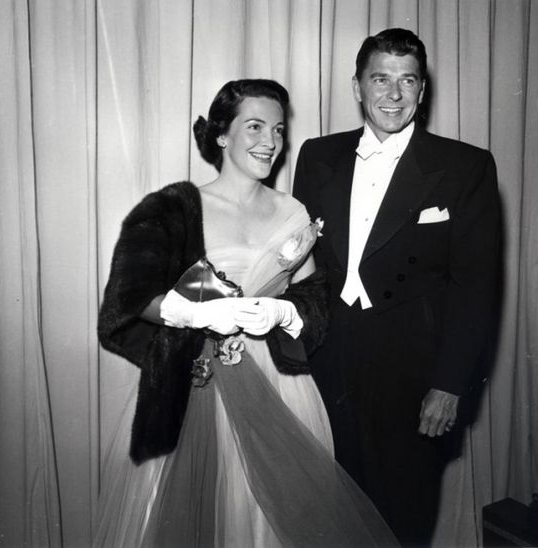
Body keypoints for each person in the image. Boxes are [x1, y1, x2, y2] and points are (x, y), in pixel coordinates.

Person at [95, 79, 398, 547]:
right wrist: (196, 316)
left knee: (272, 520)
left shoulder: (294, 212)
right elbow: (128, 299)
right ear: (221, 135)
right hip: (196, 387)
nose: (270, 142)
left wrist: (283, 312)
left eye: (277, 130)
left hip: (281, 390)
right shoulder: (174, 207)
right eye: (254, 127)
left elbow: (315, 303)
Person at [293, 28, 501, 546]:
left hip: (414, 371)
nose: (393, 94)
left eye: (407, 81)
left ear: (422, 90)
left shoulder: (465, 166)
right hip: (329, 361)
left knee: (402, 517)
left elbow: (476, 288)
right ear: (358, 87)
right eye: (380, 79)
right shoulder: (317, 156)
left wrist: (450, 385)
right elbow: (299, 265)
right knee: (328, 509)